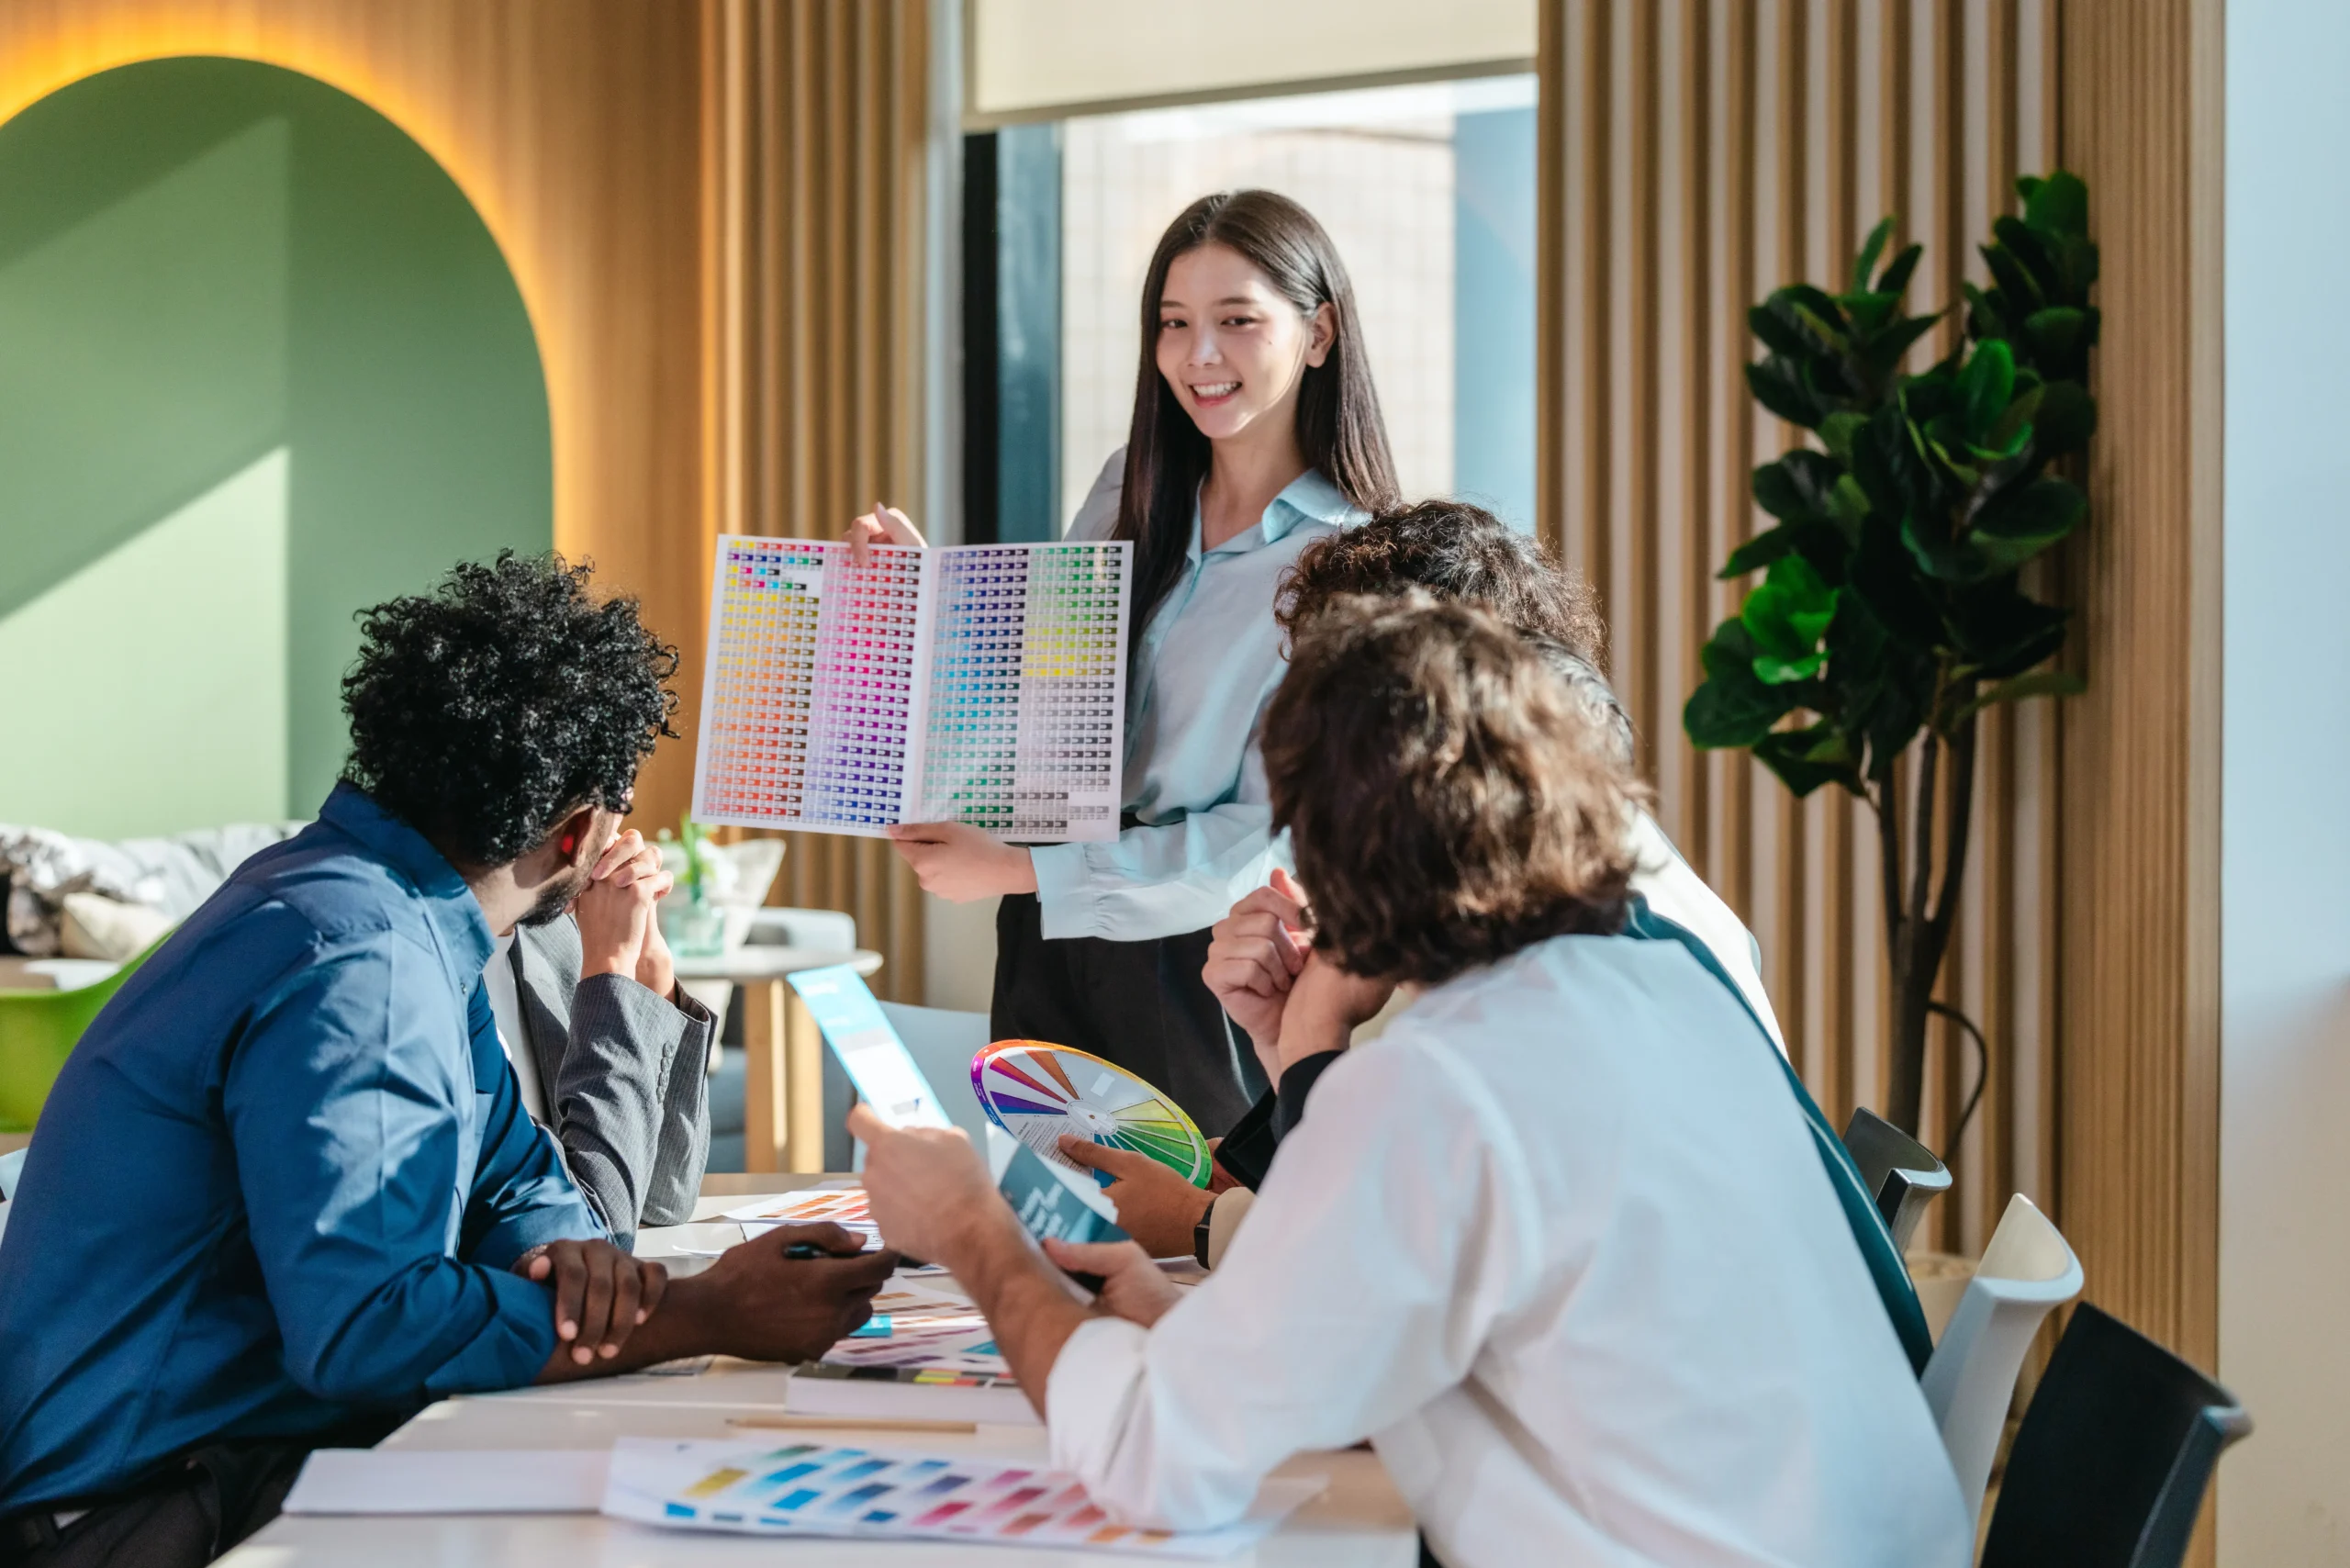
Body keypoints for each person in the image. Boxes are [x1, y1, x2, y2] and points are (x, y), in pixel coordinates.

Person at [850, 597, 1971, 1568]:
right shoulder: (1663, 991)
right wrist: (1192, 1317)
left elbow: (1157, 1459)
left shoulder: (1443, 1086)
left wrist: (971, 1230)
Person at [0, 554, 894, 1567]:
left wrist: (574, 1256)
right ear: (575, 833)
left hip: (201, 1460)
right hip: (134, 1512)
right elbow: (364, 1328)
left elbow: (517, 1174)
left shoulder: (383, 907)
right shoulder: (363, 958)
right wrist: (696, 1312)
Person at [1058, 500, 1785, 1259]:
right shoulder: (1601, 897)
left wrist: (1203, 1216)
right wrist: (1287, 1046)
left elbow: (1365, 1270)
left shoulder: (1556, 969)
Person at [845, 189, 1399, 1135]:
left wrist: (1026, 871)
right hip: (1045, 933)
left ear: (1318, 333)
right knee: (1039, 1238)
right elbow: (1054, 706)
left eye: (1236, 321)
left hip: (1202, 965)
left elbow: (1258, 843)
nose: (1200, 356)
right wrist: (926, 604)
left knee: (1186, 1261)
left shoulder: (1354, 565)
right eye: (1174, 324)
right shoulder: (1124, 490)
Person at [487, 824, 713, 1248]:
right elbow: (596, 1239)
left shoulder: (554, 932)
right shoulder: (421, 964)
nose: (615, 836)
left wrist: (648, 966)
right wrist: (611, 969)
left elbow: (665, 1196)